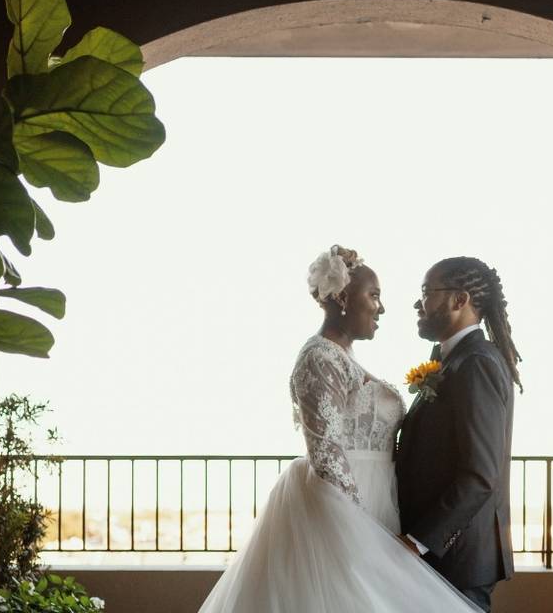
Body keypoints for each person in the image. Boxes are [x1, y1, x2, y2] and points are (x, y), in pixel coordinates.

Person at [198, 245, 482, 613]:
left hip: (378, 505)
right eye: (374, 295)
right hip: (344, 512)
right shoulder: (319, 357)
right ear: (343, 297)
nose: (381, 308)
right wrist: (361, 536)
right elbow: (328, 456)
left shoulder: (345, 357)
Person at [395, 257, 522, 613]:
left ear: (459, 300)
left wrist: (419, 541)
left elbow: (480, 475)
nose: (418, 304)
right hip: (443, 558)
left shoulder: (476, 362)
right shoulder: (452, 360)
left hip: (456, 558)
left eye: (425, 293)